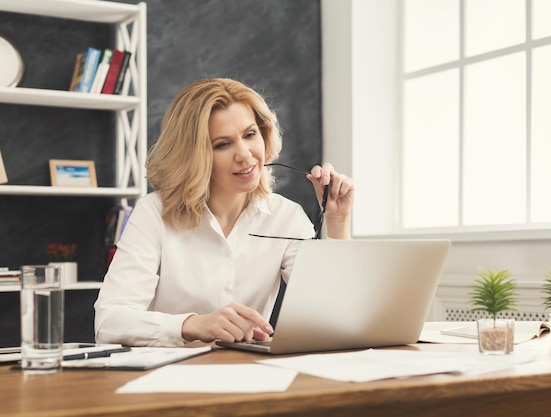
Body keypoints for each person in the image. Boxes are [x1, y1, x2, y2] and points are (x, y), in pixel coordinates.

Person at [94, 78, 355, 347]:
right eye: (222, 144)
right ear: (193, 155)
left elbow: (337, 312)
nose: (245, 155)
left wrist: (338, 222)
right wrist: (192, 325)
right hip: (170, 378)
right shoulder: (154, 212)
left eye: (250, 134)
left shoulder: (287, 217)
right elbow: (110, 322)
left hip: (252, 378)